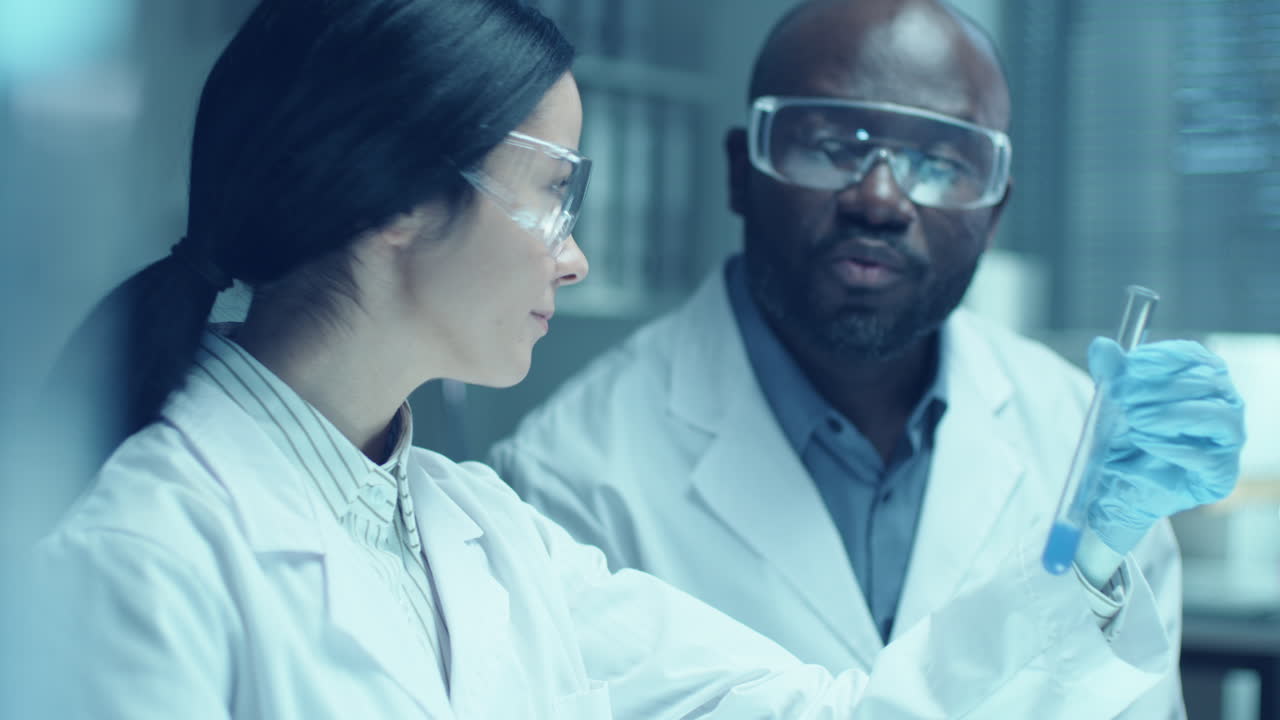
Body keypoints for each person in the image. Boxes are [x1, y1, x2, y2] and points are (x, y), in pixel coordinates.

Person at [35, 0, 1232, 718]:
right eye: (553, 196)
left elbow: (832, 714)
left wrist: (1089, 553)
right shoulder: (137, 555)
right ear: (397, 196)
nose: (575, 260)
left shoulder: (481, 534)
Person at [490, 0, 1246, 716]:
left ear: (994, 214)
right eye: (831, 147)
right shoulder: (571, 474)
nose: (880, 198)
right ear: (740, 172)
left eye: (939, 162)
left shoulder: (1088, 450)